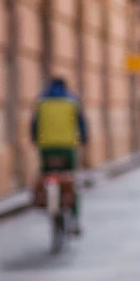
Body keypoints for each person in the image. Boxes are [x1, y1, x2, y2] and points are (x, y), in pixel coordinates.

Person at [30, 77, 88, 234]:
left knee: (46, 174)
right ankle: (75, 219)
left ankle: (46, 199)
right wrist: (83, 139)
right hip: (67, 148)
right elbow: (81, 124)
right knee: (71, 180)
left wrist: (35, 141)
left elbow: (34, 126)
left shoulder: (41, 102)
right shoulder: (72, 102)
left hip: (46, 148)